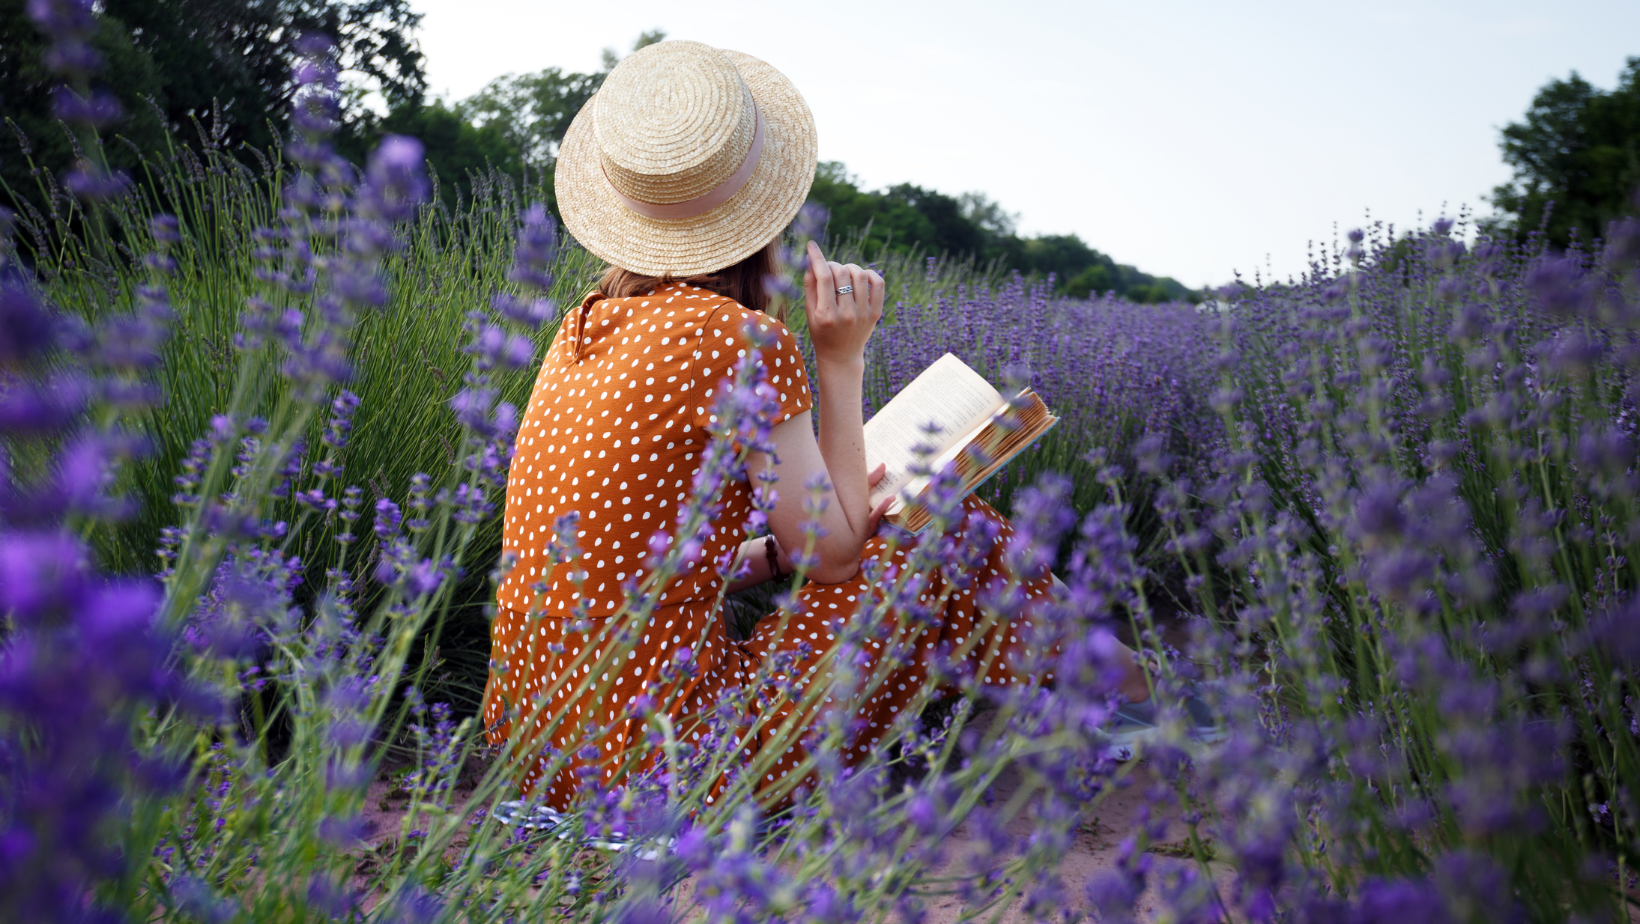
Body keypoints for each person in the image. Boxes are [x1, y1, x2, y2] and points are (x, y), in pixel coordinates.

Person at [481, 40, 1192, 812]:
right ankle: (1139, 699)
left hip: (545, 752)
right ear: (765, 212)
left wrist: (770, 554)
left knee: (910, 529)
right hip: (674, 768)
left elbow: (626, 561)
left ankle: (1109, 700)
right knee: (941, 527)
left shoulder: (582, 328)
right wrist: (840, 357)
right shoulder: (737, 339)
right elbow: (837, 555)